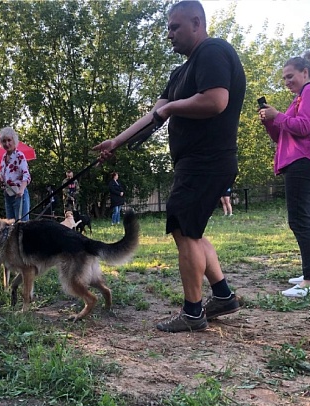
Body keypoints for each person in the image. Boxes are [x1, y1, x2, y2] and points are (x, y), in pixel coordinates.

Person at [93, 0, 245, 333]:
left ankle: (193, 312)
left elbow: (216, 101)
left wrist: (173, 107)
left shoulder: (213, 51)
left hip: (208, 159)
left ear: (196, 22)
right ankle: (223, 296)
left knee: (184, 229)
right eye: (167, 28)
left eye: (175, 27)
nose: (169, 34)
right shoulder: (180, 73)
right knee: (191, 230)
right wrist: (116, 142)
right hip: (196, 162)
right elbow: (154, 116)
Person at [259, 51, 310, 298]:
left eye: (290, 76)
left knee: (299, 221)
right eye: (284, 78)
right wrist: (270, 121)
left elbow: (304, 126)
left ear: (305, 73)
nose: (286, 82)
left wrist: (279, 116)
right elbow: (282, 135)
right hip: (307, 163)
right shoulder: (300, 97)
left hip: (302, 161)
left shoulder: (309, 91)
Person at [0, 127, 31, 220]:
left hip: (19, 195)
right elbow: (3, 173)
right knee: (10, 226)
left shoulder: (19, 155)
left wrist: (22, 190)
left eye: (9, 140)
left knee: (21, 226)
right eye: (4, 141)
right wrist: (0, 176)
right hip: (8, 195)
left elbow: (26, 175)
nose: (7, 144)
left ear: (14, 140)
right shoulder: (4, 157)